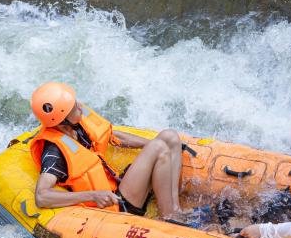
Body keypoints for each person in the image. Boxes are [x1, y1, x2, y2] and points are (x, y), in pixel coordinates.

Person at [29, 82, 187, 220]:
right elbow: (42, 196)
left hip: (118, 186)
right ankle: (169, 217)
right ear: (62, 122)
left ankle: (175, 209)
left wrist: (152, 142)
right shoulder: (54, 152)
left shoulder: (76, 125)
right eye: (72, 107)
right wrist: (93, 196)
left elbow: (114, 136)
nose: (79, 106)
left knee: (170, 137)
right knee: (158, 147)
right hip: (116, 205)